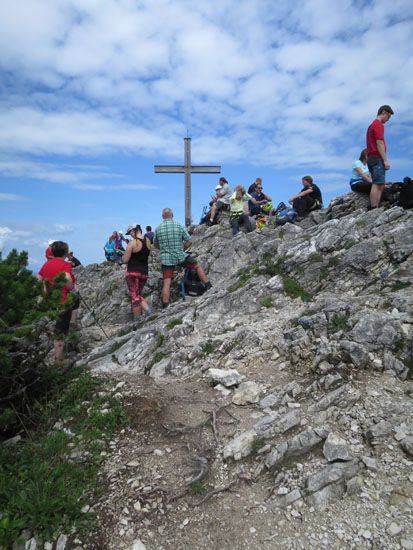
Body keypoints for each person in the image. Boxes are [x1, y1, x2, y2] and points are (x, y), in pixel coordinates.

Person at [153, 208, 211, 308]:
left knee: (166, 282)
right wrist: (182, 249)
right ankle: (208, 286)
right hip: (180, 256)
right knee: (197, 266)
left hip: (166, 259)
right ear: (172, 215)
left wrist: (163, 249)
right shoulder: (178, 225)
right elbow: (189, 241)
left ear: (163, 217)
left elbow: (155, 244)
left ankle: (165, 306)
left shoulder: (158, 228)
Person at [37, 241, 78, 362]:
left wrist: (45, 293)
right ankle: (58, 359)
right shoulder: (65, 264)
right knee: (60, 331)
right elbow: (67, 278)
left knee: (60, 327)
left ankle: (72, 323)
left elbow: (39, 278)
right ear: (65, 252)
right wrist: (73, 288)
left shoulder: (46, 265)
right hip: (63, 300)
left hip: (51, 300)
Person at [366, 105, 394, 209]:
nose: (388, 120)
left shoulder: (371, 125)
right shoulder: (378, 124)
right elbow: (380, 143)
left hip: (372, 158)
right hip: (377, 158)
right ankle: (374, 208)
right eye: (388, 116)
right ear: (384, 112)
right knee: (377, 184)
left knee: (380, 184)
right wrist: (385, 160)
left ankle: (375, 206)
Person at [123, 224, 152, 321]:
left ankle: (137, 322)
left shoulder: (132, 243)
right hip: (144, 273)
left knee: (135, 297)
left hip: (133, 273)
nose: (130, 234)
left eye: (130, 232)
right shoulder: (147, 241)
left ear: (135, 230)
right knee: (138, 295)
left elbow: (125, 260)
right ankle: (150, 312)